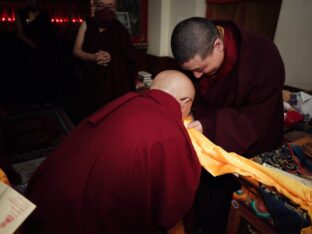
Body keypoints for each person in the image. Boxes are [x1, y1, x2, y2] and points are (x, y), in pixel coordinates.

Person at [21, 70, 201, 234]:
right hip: (76, 219)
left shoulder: (126, 101)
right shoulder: (169, 129)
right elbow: (172, 201)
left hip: (43, 195)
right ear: (185, 103)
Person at [171, 17, 285, 233]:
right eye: (190, 70)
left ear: (218, 45)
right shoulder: (198, 40)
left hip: (248, 139)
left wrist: (207, 125)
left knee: (229, 206)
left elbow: (255, 118)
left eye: (201, 68)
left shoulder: (262, 56)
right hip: (205, 133)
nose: (196, 76)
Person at [73, 0, 138, 120]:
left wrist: (111, 56)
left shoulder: (120, 29)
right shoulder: (87, 23)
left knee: (108, 118)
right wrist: (92, 57)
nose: (106, 9)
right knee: (89, 115)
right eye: (102, 5)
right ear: (95, 6)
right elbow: (76, 50)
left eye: (110, 6)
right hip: (89, 77)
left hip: (112, 82)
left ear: (115, 8)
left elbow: (129, 55)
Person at [15, 0, 58, 104]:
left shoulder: (44, 14)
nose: (32, 2)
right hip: (29, 50)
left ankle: (47, 99)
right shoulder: (21, 13)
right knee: (31, 76)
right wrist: (34, 45)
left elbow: (50, 32)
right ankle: (33, 101)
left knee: (46, 74)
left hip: (45, 50)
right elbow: (20, 34)